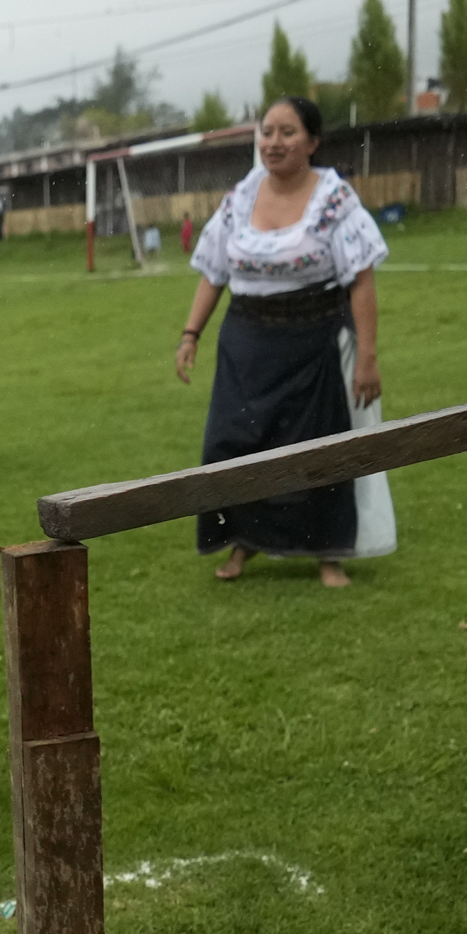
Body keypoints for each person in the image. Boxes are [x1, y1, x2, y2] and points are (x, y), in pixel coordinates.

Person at [172, 98, 393, 587]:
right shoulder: (239, 198)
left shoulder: (335, 200)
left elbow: (361, 280)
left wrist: (368, 358)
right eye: (267, 131)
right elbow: (214, 272)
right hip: (246, 344)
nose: (274, 142)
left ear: (312, 141)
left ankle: (327, 553)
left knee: (317, 446)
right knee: (231, 445)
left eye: (287, 132)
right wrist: (191, 334)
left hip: (315, 341)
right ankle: (242, 544)